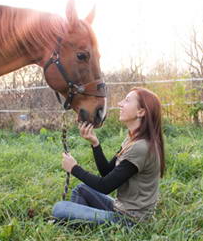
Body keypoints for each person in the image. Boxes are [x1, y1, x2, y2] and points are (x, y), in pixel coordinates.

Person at [52, 87, 165, 228]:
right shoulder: (132, 140)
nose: (120, 103)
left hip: (130, 221)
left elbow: (105, 186)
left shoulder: (140, 148)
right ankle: (79, 226)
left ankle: (76, 224)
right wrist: (95, 143)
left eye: (127, 100)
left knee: (59, 208)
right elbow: (107, 172)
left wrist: (74, 168)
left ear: (141, 112)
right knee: (81, 189)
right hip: (119, 208)